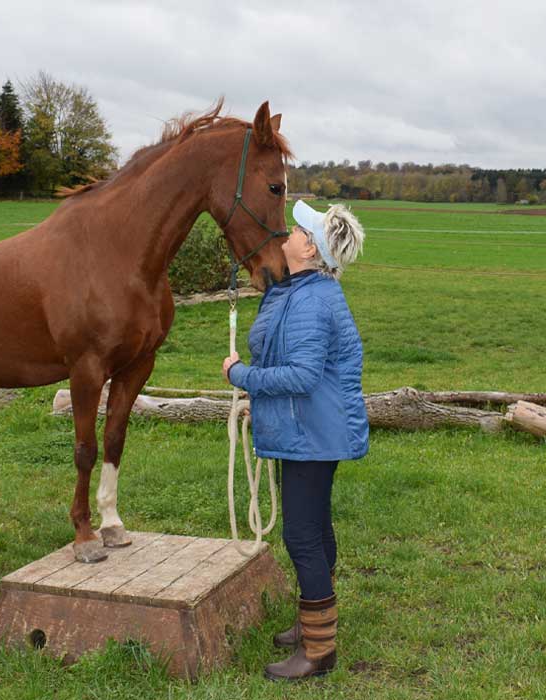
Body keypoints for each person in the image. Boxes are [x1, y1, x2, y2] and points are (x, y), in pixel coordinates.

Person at [222, 199, 369, 681]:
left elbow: (303, 375)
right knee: (316, 530)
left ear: (309, 247)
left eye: (298, 228)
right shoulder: (301, 290)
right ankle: (313, 623)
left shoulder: (311, 299)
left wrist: (241, 376)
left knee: (302, 536)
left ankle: (319, 650)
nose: (287, 230)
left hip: (311, 431)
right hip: (307, 429)